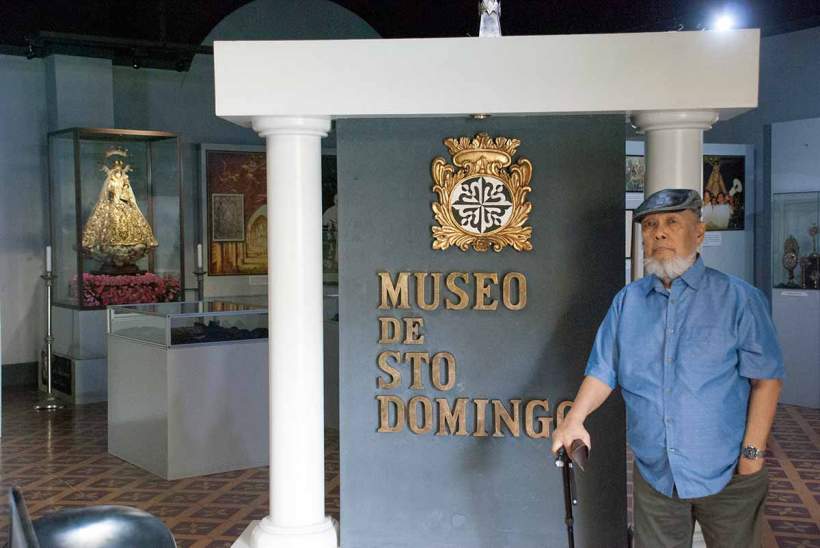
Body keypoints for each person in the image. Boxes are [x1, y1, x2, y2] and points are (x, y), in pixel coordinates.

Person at [551, 188, 784, 548]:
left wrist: (751, 457)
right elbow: (602, 370)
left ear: (700, 233)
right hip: (656, 475)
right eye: (650, 225)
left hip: (729, 474)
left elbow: (766, 380)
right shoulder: (628, 303)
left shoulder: (739, 299)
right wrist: (574, 419)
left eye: (673, 222)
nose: (659, 232)